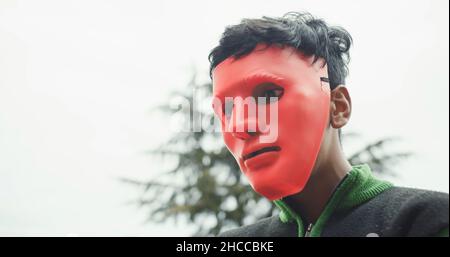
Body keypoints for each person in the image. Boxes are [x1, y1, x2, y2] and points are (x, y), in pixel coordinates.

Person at [208, 12, 449, 237]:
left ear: (338, 106)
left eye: (270, 94)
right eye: (227, 109)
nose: (240, 125)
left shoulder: (426, 222)